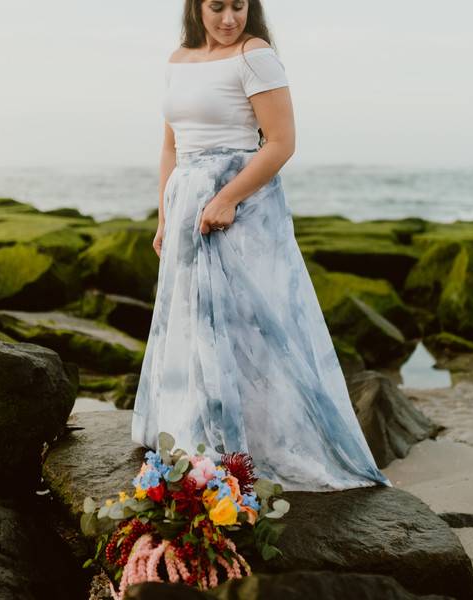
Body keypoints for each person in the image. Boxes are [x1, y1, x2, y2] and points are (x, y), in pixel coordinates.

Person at [131, 0, 391, 492]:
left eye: (239, 6)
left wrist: (227, 198)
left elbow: (280, 141)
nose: (229, 18)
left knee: (249, 327)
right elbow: (171, 146)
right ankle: (193, 431)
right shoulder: (178, 60)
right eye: (217, 7)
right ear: (196, 6)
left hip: (241, 204)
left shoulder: (256, 55)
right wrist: (165, 216)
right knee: (190, 319)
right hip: (187, 199)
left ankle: (250, 445)